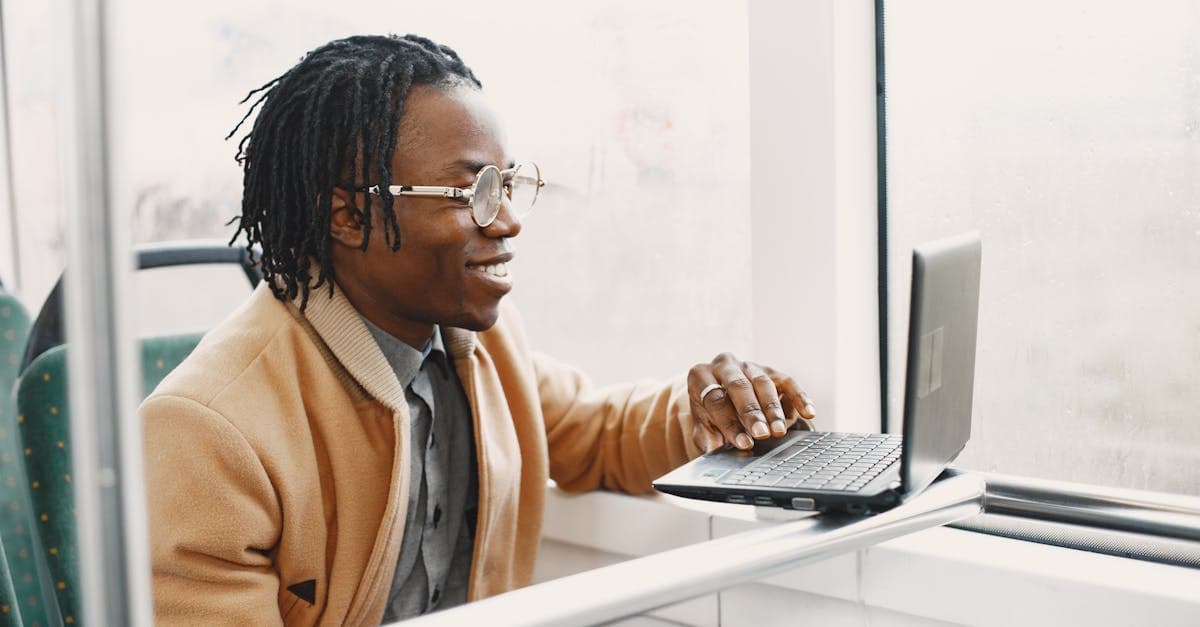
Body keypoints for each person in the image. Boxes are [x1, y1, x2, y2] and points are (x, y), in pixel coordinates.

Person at [141, 34, 816, 625]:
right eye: (474, 194)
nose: (510, 220)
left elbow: (594, 432)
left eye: (509, 183)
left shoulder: (476, 339)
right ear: (347, 216)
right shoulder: (203, 434)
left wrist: (705, 411)